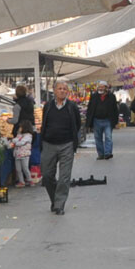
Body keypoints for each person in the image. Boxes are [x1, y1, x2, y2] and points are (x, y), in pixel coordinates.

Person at [40, 81, 80, 215]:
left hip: (66, 145)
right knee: (46, 175)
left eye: (64, 89)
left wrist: (72, 140)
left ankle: (59, 205)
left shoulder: (72, 106)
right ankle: (55, 199)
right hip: (49, 144)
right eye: (60, 89)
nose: (62, 91)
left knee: (64, 177)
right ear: (54, 91)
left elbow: (78, 124)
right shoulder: (48, 106)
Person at [84, 82, 118, 159]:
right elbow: (90, 109)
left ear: (106, 88)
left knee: (108, 137)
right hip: (97, 121)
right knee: (98, 138)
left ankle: (108, 153)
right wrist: (88, 122)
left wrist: (116, 121)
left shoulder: (111, 97)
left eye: (102, 87)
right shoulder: (94, 96)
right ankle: (101, 154)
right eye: (99, 87)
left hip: (108, 121)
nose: (100, 88)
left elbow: (115, 110)